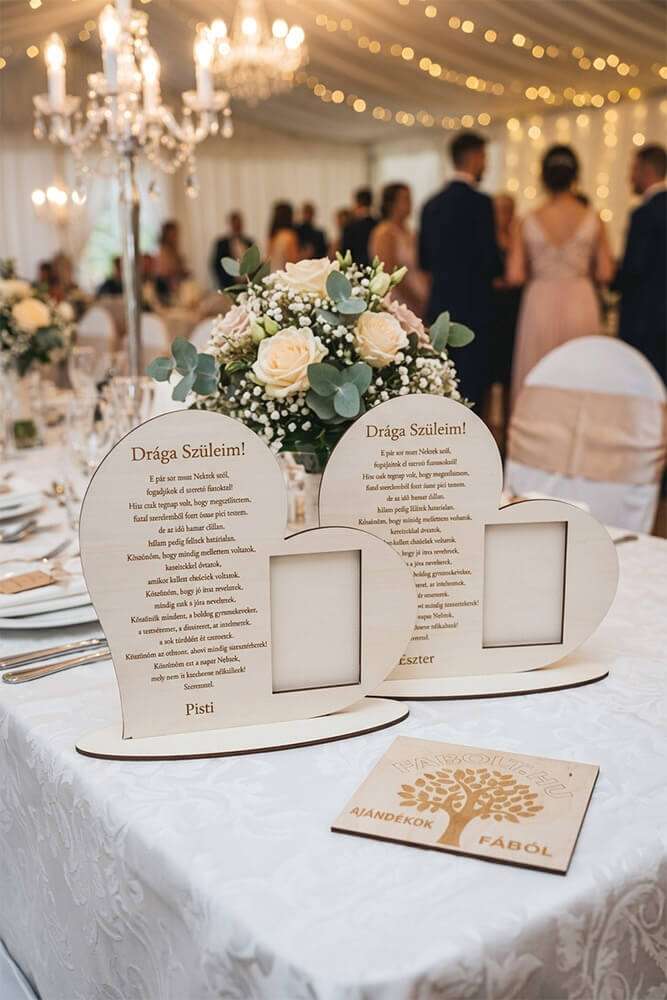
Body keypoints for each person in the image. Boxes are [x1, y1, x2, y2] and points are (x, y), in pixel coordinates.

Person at [508, 144, 614, 402]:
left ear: (543, 176)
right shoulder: (593, 217)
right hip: (580, 300)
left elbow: (514, 275)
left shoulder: (527, 219)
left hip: (540, 301)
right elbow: (605, 272)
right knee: (581, 373)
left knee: (539, 372)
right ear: (575, 176)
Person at [419, 131, 503, 407]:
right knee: (473, 387)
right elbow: (491, 262)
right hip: (475, 308)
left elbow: (424, 260)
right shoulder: (481, 204)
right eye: (485, 157)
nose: (486, 165)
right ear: (474, 157)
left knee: (441, 385)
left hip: (440, 307)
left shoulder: (431, 205)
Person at [614, 143, 666, 382]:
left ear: (646, 170)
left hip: (645, 322)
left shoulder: (644, 214)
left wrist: (613, 280)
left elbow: (634, 270)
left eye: (633, 169)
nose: (629, 177)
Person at [369, 183, 428, 316]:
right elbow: (389, 271)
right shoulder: (385, 233)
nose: (410, 203)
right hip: (400, 299)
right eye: (405, 199)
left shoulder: (410, 232)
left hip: (419, 294)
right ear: (391, 203)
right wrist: (414, 300)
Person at [490, 193, 522, 433]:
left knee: (511, 371)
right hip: (493, 309)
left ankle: (510, 424)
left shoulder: (518, 237)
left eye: (509, 209)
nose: (505, 214)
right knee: (491, 372)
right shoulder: (487, 238)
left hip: (514, 309)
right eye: (501, 209)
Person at [210, 212, 254, 290]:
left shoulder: (249, 242)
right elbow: (216, 265)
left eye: (239, 223)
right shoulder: (222, 244)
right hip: (229, 285)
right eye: (235, 223)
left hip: (248, 284)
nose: (237, 226)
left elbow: (254, 263)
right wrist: (225, 282)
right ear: (230, 224)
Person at [341, 188, 378, 267]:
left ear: (357, 202)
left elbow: (345, 253)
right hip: (374, 268)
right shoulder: (378, 224)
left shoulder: (350, 226)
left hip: (355, 268)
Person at [155, 220, 189, 304]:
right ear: (166, 235)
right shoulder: (163, 251)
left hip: (175, 285)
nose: (175, 236)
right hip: (166, 288)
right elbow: (164, 272)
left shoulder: (174, 250)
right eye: (173, 234)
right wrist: (179, 271)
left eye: (176, 234)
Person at [267, 201, 300, 271]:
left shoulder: (273, 236)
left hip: (272, 273)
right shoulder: (289, 236)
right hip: (284, 274)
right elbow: (292, 262)